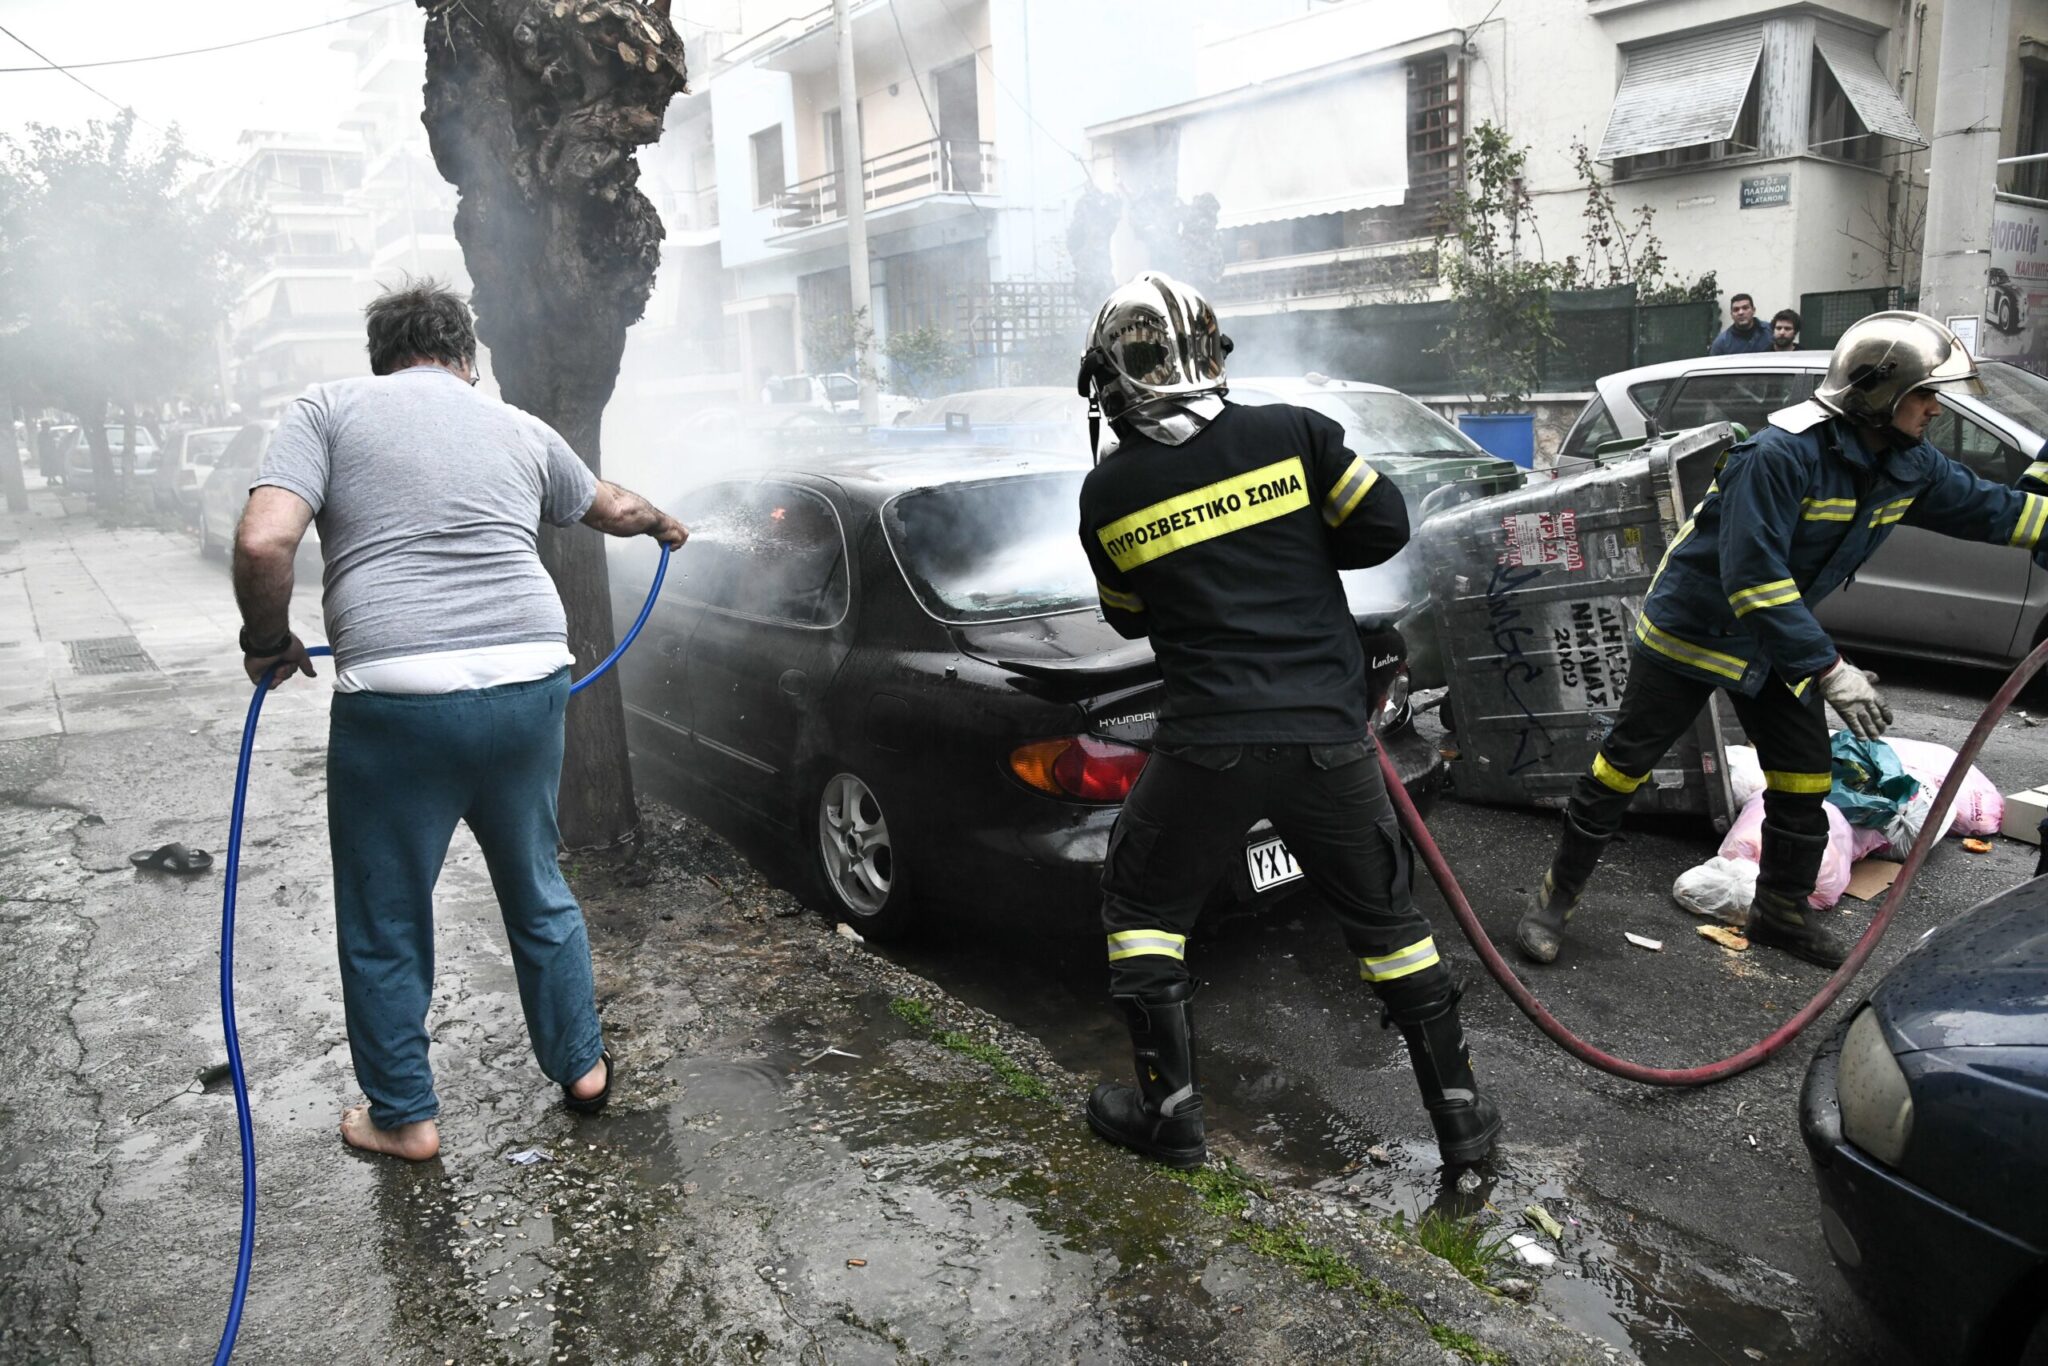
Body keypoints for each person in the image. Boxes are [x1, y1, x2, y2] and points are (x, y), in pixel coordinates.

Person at [230, 281, 688, 1161]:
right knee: (538, 882)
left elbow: (264, 540)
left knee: (386, 914)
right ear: (466, 359)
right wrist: (665, 524)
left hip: (399, 701)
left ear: (382, 358)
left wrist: (266, 642)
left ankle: (405, 1118)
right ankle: (583, 1069)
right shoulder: (516, 426)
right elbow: (614, 508)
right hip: (529, 681)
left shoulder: (327, 410)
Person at [1074, 272, 1501, 1172]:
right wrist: (1293, 541)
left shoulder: (1108, 495)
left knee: (1143, 910)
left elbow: (1128, 615)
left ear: (1113, 381)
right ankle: (1461, 1120)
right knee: (1389, 926)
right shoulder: (1294, 435)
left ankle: (1170, 1117)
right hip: (1328, 743)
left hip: (1206, 746)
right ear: (1213, 357)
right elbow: (1382, 527)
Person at [1521, 312, 2048, 969]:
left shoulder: (1909, 465)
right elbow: (1753, 577)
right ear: (1878, 392)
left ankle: (1779, 913)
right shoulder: (1778, 456)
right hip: (1694, 629)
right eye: (1924, 395)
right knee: (1621, 769)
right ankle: (1554, 901)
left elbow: (2002, 513)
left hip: (1775, 639)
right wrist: (1828, 668)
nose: (1935, 410)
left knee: (1804, 777)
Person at [1709, 294, 1773, 355]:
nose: (1740, 312)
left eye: (1745, 308)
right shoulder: (1721, 343)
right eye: (1736, 310)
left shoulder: (1770, 331)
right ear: (1731, 315)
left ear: (1753, 310)